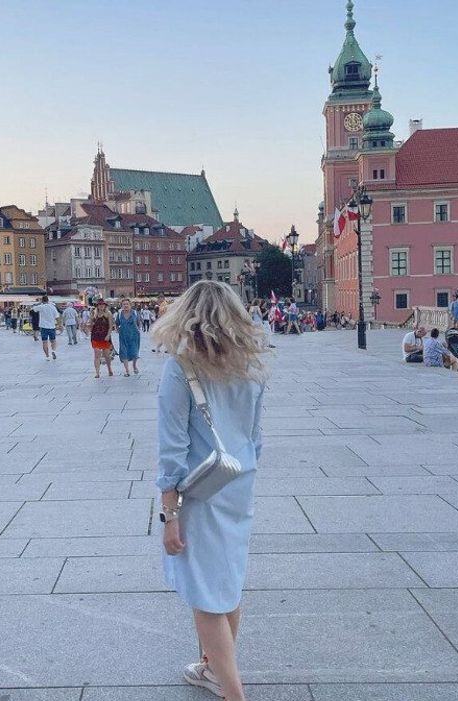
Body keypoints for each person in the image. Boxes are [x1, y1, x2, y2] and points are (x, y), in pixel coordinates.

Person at [154, 280, 267, 701]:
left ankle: (232, 692)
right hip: (239, 483)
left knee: (206, 595)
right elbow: (255, 438)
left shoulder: (180, 367)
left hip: (201, 491)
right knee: (228, 582)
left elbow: (172, 452)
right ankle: (209, 668)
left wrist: (169, 516)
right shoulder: (250, 366)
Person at [88, 299, 115, 378]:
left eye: (103, 304)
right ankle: (97, 372)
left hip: (105, 336)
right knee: (97, 354)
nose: (101, 306)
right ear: (97, 306)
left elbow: (110, 326)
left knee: (106, 355)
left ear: (105, 305)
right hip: (95, 336)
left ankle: (109, 368)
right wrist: (91, 317)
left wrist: (108, 335)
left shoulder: (108, 314)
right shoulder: (94, 314)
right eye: (100, 304)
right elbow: (91, 325)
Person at [114, 299, 142, 376]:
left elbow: (139, 322)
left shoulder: (135, 313)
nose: (125, 305)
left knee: (134, 352)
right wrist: (117, 330)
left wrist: (138, 330)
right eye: (124, 304)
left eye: (127, 304)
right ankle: (127, 371)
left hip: (134, 336)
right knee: (124, 353)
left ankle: (134, 365)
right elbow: (116, 323)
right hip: (123, 336)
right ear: (121, 306)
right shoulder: (119, 314)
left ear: (130, 305)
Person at [33, 295, 61, 360]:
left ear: (42, 300)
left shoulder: (41, 306)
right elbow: (57, 317)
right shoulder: (53, 307)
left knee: (45, 342)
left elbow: (34, 308)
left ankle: (47, 356)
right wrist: (60, 325)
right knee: (53, 341)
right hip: (52, 327)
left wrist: (39, 303)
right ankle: (53, 351)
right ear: (48, 300)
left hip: (43, 327)